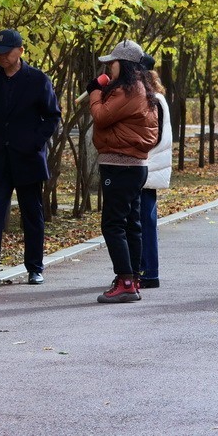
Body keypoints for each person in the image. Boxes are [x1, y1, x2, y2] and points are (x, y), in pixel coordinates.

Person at [0, 29, 62, 284]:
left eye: (6, 53)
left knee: (32, 213)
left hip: (28, 159)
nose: (1, 58)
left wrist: (35, 141)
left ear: (20, 51)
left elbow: (53, 116)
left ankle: (35, 267)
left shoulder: (37, 79)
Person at [88, 40, 158, 303]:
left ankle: (126, 281)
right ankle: (131, 279)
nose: (109, 67)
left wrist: (95, 92)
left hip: (120, 164)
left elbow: (101, 116)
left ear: (124, 64)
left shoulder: (128, 91)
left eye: (112, 62)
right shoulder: (141, 89)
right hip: (133, 165)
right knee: (131, 224)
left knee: (113, 224)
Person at [138, 55, 172, 289]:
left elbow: (154, 136)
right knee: (142, 220)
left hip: (147, 166)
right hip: (149, 166)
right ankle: (144, 270)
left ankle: (149, 272)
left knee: (145, 222)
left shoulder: (154, 100)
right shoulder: (155, 98)